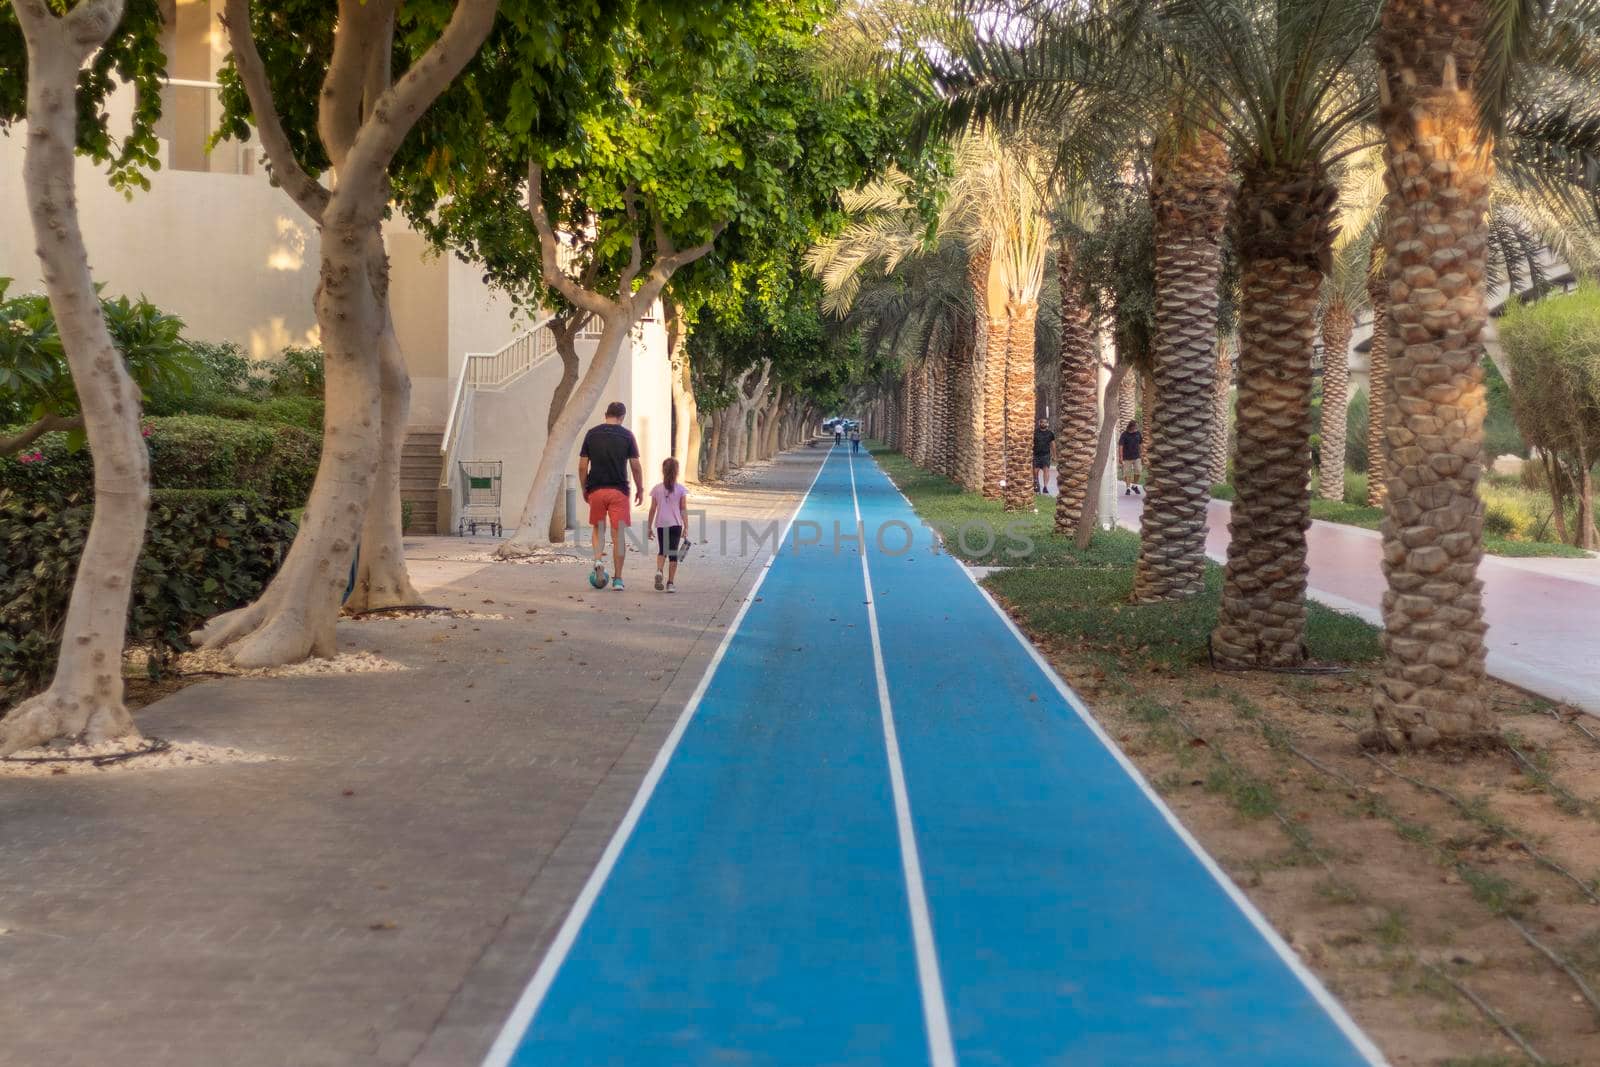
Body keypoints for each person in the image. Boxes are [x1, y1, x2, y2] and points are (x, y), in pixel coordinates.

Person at [579, 401, 644, 590]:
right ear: (622, 417)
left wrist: (585, 488)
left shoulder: (592, 434)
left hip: (596, 490)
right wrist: (640, 488)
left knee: (599, 529)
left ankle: (598, 560)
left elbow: (583, 466)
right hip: (619, 492)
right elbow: (635, 466)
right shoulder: (627, 436)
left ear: (605, 414)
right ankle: (618, 579)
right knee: (619, 536)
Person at [647, 457, 688, 593]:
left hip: (661, 523)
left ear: (663, 471)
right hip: (676, 524)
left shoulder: (657, 489)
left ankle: (659, 570)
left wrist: (649, 527)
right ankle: (670, 583)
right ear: (677, 472)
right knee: (673, 553)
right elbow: (683, 509)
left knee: (662, 550)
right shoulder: (681, 489)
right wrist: (686, 527)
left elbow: (652, 509)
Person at [1119, 420, 1143, 495]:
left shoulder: (1138, 433)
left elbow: (1140, 444)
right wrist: (1121, 457)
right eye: (1135, 426)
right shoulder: (1124, 434)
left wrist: (1142, 454)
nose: (1136, 427)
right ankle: (1128, 488)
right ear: (1131, 426)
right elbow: (1121, 446)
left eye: (1137, 426)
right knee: (1127, 473)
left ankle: (1134, 485)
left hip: (1137, 456)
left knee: (1138, 471)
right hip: (1127, 457)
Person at [1032, 417, 1056, 494]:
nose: (1043, 424)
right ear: (1039, 424)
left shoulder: (1050, 433)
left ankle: (1045, 487)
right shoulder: (1035, 432)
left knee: (1046, 470)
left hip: (1046, 455)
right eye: (1042, 422)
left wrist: (1054, 455)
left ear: (1047, 424)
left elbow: (1053, 444)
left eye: (1045, 422)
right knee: (1035, 471)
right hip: (1036, 454)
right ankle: (1036, 483)